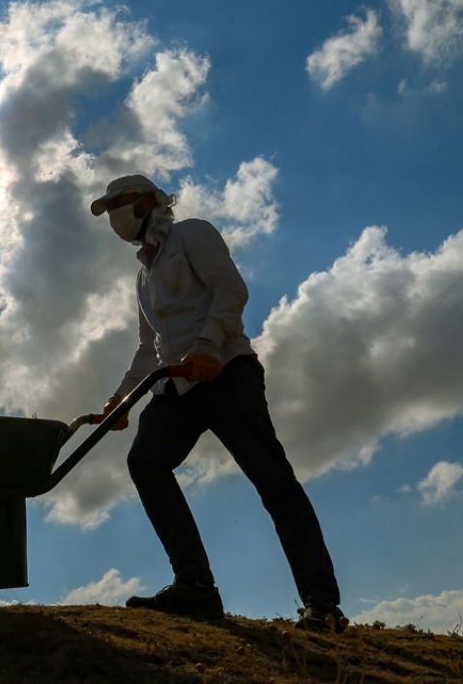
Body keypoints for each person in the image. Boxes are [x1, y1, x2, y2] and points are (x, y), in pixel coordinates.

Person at [91, 174, 345, 632]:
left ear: (149, 200)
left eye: (120, 204)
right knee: (146, 461)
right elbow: (149, 347)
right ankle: (196, 588)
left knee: (274, 483)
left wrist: (208, 346)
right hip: (178, 385)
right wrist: (122, 399)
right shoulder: (143, 274)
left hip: (226, 372)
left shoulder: (192, 233)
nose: (114, 216)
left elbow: (231, 290)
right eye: (108, 211)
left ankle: (322, 604)